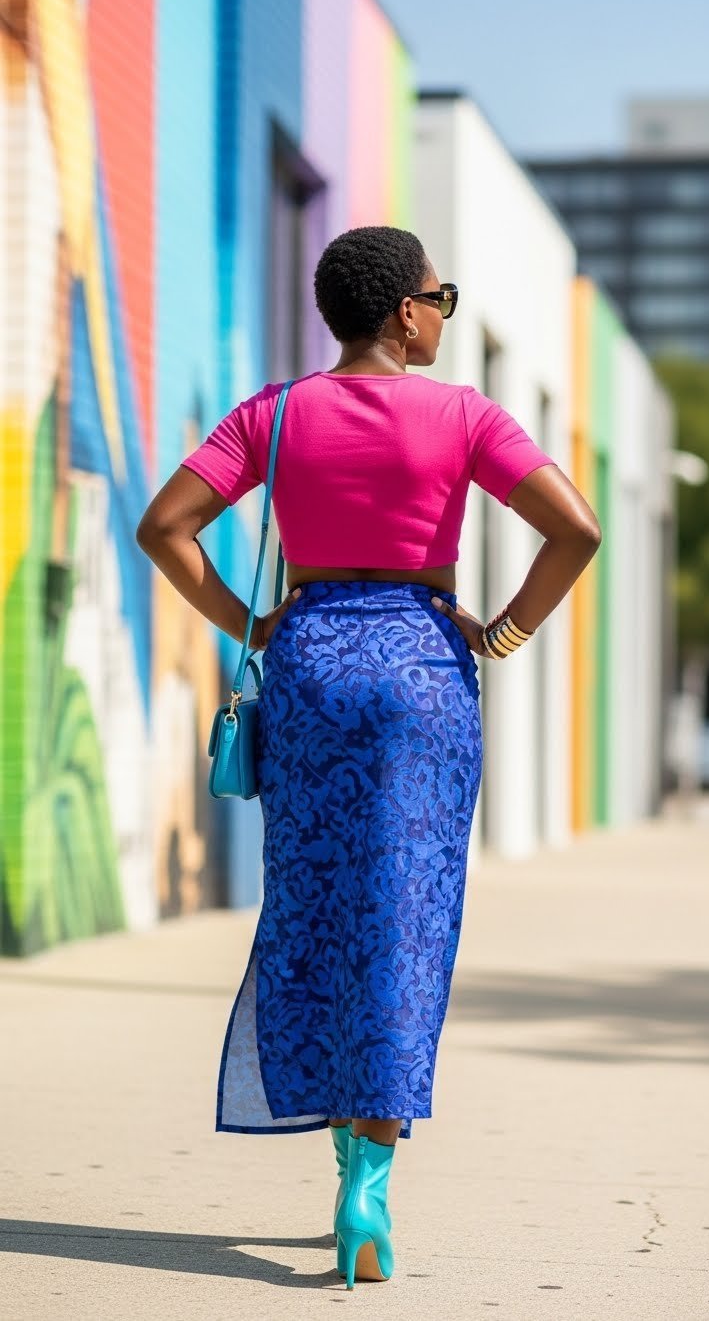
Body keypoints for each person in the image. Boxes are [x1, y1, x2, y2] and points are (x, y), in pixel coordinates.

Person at [136, 225, 601, 1289]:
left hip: (310, 667)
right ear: (404, 311)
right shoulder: (465, 416)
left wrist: (256, 627)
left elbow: (166, 527)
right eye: (438, 295)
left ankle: (345, 1153)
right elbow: (574, 528)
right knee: (407, 915)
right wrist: (503, 634)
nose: (441, 310)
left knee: (316, 907)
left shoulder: (276, 413)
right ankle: (370, 1186)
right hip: (424, 670)